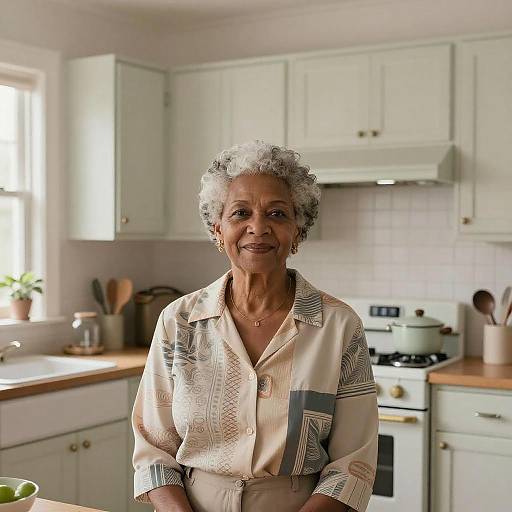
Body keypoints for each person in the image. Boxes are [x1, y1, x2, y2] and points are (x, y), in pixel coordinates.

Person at [131, 141, 378, 512]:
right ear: (218, 229)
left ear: (298, 230)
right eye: (241, 213)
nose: (257, 228)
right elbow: (153, 450)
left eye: (277, 214)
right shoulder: (178, 322)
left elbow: (352, 466)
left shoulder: (339, 326)